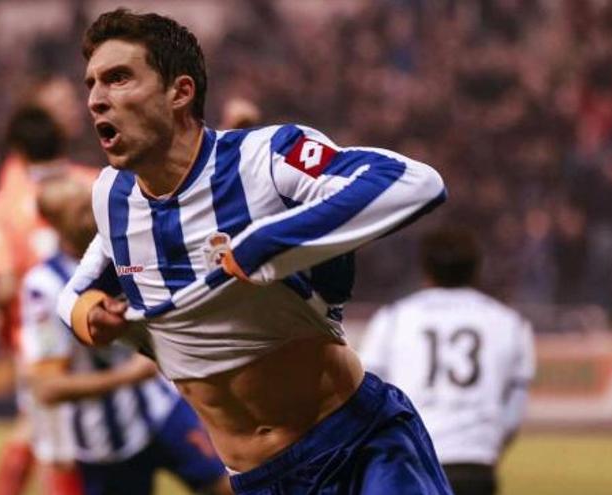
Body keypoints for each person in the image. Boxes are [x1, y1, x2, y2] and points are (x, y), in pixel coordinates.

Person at [58, 9, 451, 494]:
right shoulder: (111, 199)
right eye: (92, 84)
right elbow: (74, 294)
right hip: (258, 481)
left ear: (180, 92)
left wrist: (267, 244)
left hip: (359, 445)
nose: (97, 99)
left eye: (118, 79)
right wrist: (90, 316)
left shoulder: (267, 157)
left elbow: (414, 182)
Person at [20, 177, 232, 495]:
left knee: (228, 487)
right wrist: (127, 376)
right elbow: (47, 388)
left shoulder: (128, 248)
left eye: (87, 203)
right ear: (54, 221)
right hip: (104, 444)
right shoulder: (45, 287)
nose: (87, 213)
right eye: (76, 208)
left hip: (161, 411)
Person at [361, 227, 536, 495]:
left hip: (412, 462)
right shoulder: (508, 322)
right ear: (477, 269)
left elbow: (368, 399)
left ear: (425, 269)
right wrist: (488, 446)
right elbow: (513, 410)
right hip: (476, 465)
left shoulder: (394, 319)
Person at [0, 104, 94, 495]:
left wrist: (1, 324)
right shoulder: (94, 183)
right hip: (99, 323)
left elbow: (5, 288)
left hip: (43, 337)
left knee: (52, 439)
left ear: (17, 151)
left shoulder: (3, 207)